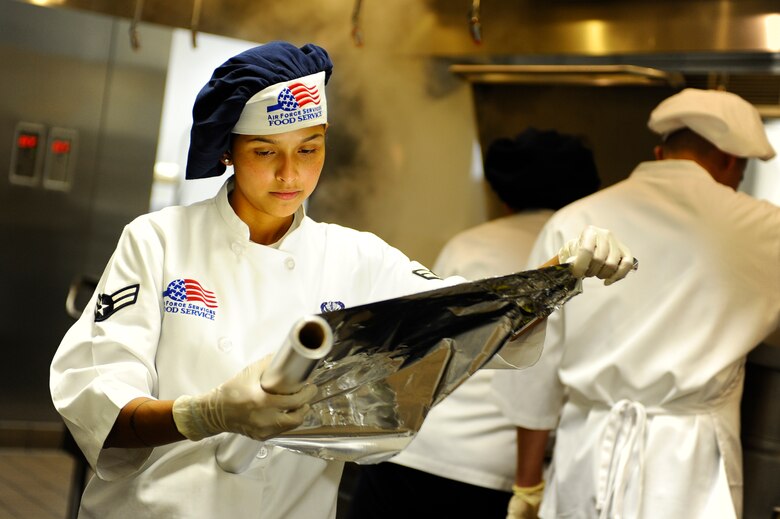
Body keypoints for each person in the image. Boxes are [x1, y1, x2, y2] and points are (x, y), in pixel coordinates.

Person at [49, 41, 634, 519]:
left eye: (309, 148)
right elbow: (98, 403)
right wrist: (208, 414)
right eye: (265, 152)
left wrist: (557, 280)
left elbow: (467, 316)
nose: (290, 174)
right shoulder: (157, 242)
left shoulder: (356, 257)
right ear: (227, 151)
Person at [492, 88, 780, 519]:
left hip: (585, 455)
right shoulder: (766, 229)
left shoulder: (573, 220)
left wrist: (528, 485)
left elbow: (532, 367)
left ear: (660, 153)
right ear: (730, 161)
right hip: (690, 466)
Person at [344, 127, 602, 519]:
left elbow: (423, 346)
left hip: (414, 452)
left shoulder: (467, 244)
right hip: (493, 470)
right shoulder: (583, 265)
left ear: (505, 193)